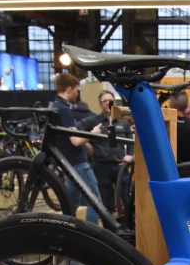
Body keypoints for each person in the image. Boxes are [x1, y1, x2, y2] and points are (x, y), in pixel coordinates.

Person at [53, 72, 101, 225]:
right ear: (69, 89)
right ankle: (92, 234)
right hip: (78, 163)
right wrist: (93, 133)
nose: (77, 93)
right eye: (76, 90)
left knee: (70, 203)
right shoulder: (63, 110)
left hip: (70, 163)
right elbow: (75, 140)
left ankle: (67, 231)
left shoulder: (56, 107)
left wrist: (86, 144)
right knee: (95, 202)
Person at [78, 89, 134, 217]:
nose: (108, 103)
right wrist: (87, 142)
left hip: (120, 166)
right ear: (100, 104)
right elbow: (77, 131)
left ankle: (130, 224)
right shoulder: (93, 121)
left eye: (110, 100)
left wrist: (130, 156)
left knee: (127, 197)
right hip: (101, 167)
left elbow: (131, 142)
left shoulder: (122, 121)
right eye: (104, 101)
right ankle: (108, 227)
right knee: (105, 201)